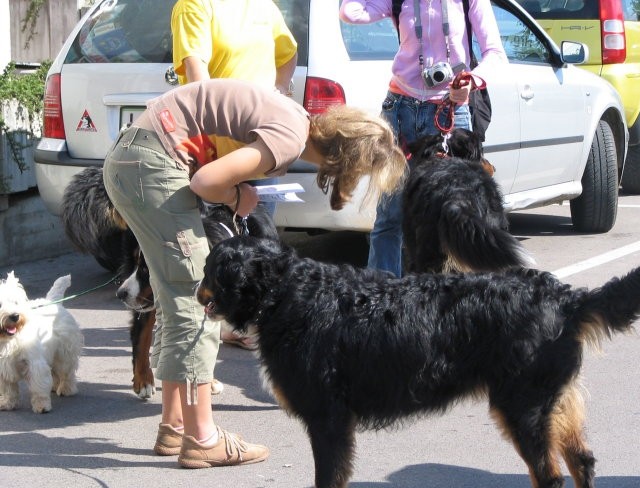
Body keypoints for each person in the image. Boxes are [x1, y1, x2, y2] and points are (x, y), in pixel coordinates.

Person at [102, 78, 406, 468]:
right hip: (151, 164)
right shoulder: (288, 139)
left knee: (174, 296)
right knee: (197, 302)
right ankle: (202, 438)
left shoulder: (295, 117)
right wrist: (237, 196)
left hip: (135, 158)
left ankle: (174, 427)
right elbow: (206, 181)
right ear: (343, 162)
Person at [340, 0, 507, 277]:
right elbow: (350, 12)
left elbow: (496, 54)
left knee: (457, 213)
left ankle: (462, 299)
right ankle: (382, 301)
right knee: (389, 217)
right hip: (400, 109)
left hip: (449, 111)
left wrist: (471, 81)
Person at [171, 0, 298, 349]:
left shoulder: (262, 4)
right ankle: (217, 326)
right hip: (215, 155)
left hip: (260, 147)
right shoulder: (193, 5)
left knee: (258, 246)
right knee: (217, 251)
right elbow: (200, 86)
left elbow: (287, 55)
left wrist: (279, 93)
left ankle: (249, 322)